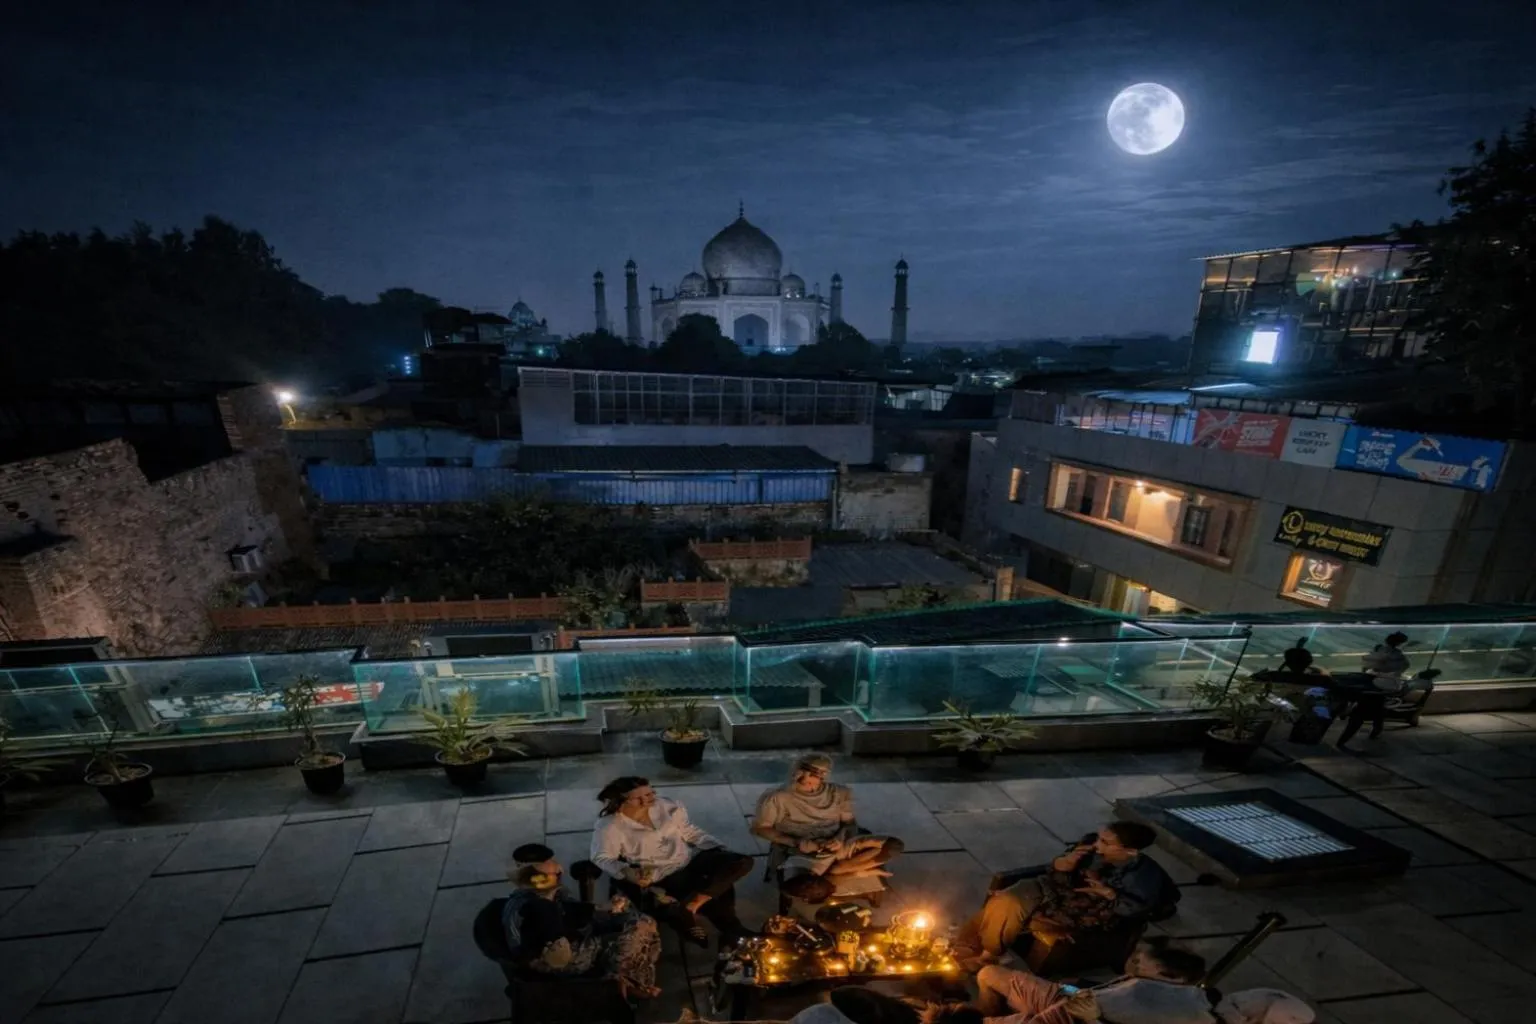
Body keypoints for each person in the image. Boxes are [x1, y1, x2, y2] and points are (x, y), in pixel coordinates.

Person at [955, 822, 1173, 965]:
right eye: (1099, 837)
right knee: (1007, 899)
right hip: (1054, 888)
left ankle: (984, 953)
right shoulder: (1090, 845)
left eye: (1105, 843)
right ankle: (978, 950)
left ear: (1130, 851)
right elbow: (1055, 868)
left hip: (1084, 909)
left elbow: (1137, 910)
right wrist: (1066, 862)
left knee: (1005, 903)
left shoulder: (1144, 875)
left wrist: (1108, 893)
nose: (1096, 844)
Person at [591, 776, 753, 945]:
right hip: (663, 872)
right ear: (621, 801)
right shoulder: (610, 826)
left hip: (689, 858)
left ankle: (691, 906)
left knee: (741, 862)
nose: (648, 799)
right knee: (715, 887)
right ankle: (732, 931)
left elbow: (688, 830)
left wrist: (717, 847)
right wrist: (626, 871)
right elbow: (601, 857)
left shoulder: (665, 805)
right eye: (639, 798)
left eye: (650, 793)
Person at [500, 843, 661, 1000]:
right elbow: (558, 956)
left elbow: (568, 909)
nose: (560, 870)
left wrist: (600, 908)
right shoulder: (538, 907)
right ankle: (624, 984)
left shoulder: (533, 896)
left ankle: (631, 977)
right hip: (561, 959)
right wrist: (594, 933)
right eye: (554, 873)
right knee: (635, 931)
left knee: (638, 920)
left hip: (566, 940)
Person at [751, 754, 905, 902]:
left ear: (823, 777)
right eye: (801, 772)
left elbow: (849, 823)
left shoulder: (840, 793)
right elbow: (760, 829)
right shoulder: (776, 797)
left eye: (813, 775)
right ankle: (852, 872)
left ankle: (841, 870)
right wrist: (797, 842)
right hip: (801, 852)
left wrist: (840, 838)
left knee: (893, 846)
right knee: (805, 889)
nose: (805, 779)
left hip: (838, 845)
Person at [973, 937, 1215, 1023]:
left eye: (1142, 961)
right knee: (988, 973)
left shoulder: (1158, 1006)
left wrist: (1093, 1019)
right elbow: (1095, 992)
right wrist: (1069, 988)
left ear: (1165, 972)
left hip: (1068, 1017)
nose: (1136, 963)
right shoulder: (1146, 981)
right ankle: (993, 1011)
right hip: (1067, 998)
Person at [1337, 631, 1410, 750]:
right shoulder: (1397, 655)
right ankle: (1373, 728)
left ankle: (1345, 733)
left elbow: (1371, 665)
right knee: (1375, 709)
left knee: (1364, 710)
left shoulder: (1387, 653)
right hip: (1382, 683)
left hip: (1380, 685)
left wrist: (1376, 669)